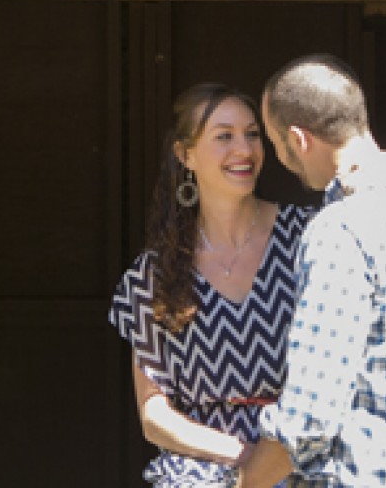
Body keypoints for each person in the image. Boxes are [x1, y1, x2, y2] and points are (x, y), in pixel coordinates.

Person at [108, 82, 312, 487]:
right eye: (224, 136)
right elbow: (154, 415)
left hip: (302, 455)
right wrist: (246, 459)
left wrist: (275, 460)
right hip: (202, 466)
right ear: (185, 155)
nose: (244, 149)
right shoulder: (154, 272)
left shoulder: (308, 237)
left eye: (252, 134)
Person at [237, 53, 386, 488]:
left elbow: (310, 416)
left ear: (298, 139)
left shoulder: (341, 229)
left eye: (273, 141)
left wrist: (247, 483)